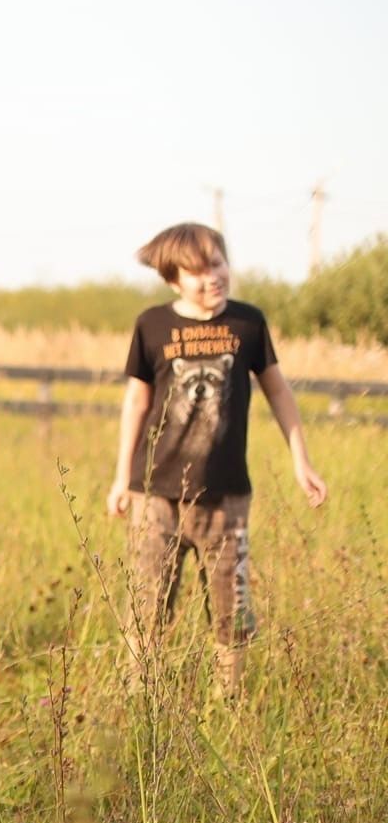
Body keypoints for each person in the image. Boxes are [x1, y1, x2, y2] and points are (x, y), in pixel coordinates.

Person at [103, 222, 329, 689]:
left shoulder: (248, 322)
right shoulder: (152, 325)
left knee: (233, 612)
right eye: (199, 271)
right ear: (173, 280)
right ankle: (139, 698)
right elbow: (137, 403)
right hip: (155, 496)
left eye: (219, 264)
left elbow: (279, 394)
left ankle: (231, 701)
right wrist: (121, 477)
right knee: (146, 609)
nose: (214, 278)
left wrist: (301, 461)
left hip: (227, 500)